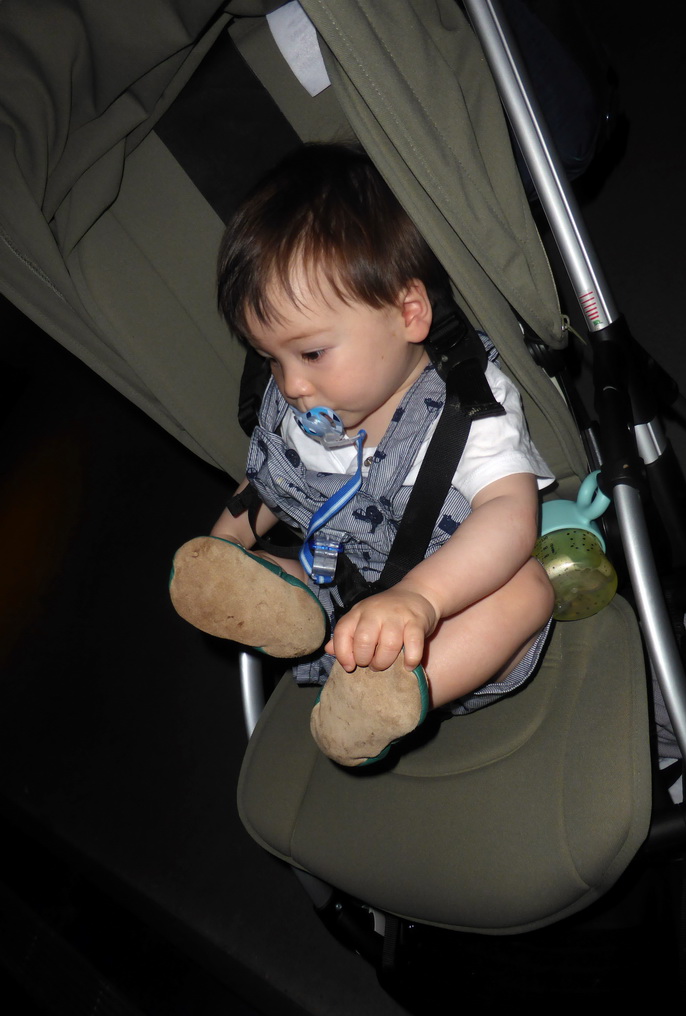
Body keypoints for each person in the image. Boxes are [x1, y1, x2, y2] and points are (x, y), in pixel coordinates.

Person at [170, 143, 555, 766]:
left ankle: (392, 693)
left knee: (529, 591)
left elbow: (511, 516)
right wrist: (227, 545)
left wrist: (420, 599)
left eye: (311, 353)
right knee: (291, 573)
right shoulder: (303, 404)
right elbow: (268, 482)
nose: (290, 384)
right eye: (270, 357)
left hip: (449, 615)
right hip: (342, 596)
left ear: (408, 313)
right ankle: (284, 606)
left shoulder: (466, 404)